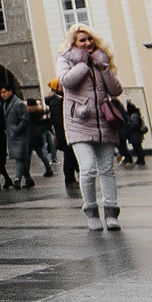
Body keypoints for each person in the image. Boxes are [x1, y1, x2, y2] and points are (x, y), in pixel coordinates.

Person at [59, 27, 123, 232]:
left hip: (104, 121)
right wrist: (83, 65)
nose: (87, 43)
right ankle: (91, 212)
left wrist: (103, 68)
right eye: (82, 40)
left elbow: (116, 90)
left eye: (90, 39)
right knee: (87, 168)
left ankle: (111, 213)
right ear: (73, 43)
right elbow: (66, 82)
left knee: (107, 169)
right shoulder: (66, 59)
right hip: (78, 120)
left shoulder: (100, 60)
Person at [5, 93, 33, 188]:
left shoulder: (18, 103)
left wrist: (17, 129)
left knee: (19, 157)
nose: (3, 94)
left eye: (5, 92)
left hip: (20, 135)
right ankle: (28, 179)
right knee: (20, 157)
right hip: (12, 134)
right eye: (1, 92)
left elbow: (25, 119)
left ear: (10, 91)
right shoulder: (5, 104)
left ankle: (17, 179)